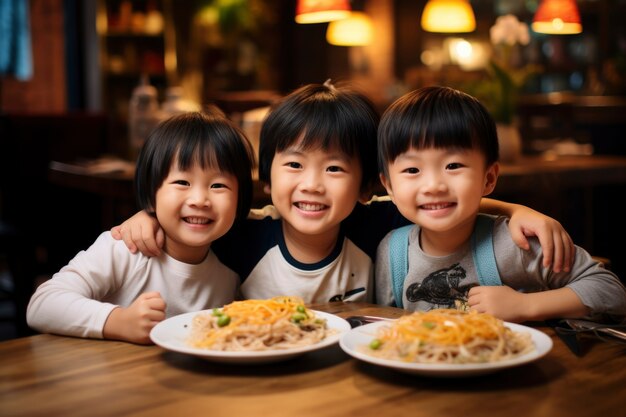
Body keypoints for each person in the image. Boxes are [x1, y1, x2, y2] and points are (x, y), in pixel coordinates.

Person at [112, 81, 575, 304]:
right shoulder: (242, 236)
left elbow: (435, 203)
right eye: (293, 165)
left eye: (334, 168)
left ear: (367, 186)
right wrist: (149, 217)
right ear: (267, 181)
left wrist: (516, 210)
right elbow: (190, 223)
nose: (312, 184)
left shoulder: (372, 224)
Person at [375, 86, 626, 322]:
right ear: (389, 186)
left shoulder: (514, 244)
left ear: (489, 178)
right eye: (411, 169)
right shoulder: (392, 253)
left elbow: (611, 291)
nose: (433, 186)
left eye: (453, 165)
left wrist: (525, 306)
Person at [27, 110, 256, 343]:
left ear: (241, 199)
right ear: (151, 192)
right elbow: (42, 304)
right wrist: (118, 321)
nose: (199, 199)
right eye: (181, 182)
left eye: (218, 185)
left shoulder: (231, 271)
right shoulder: (125, 249)